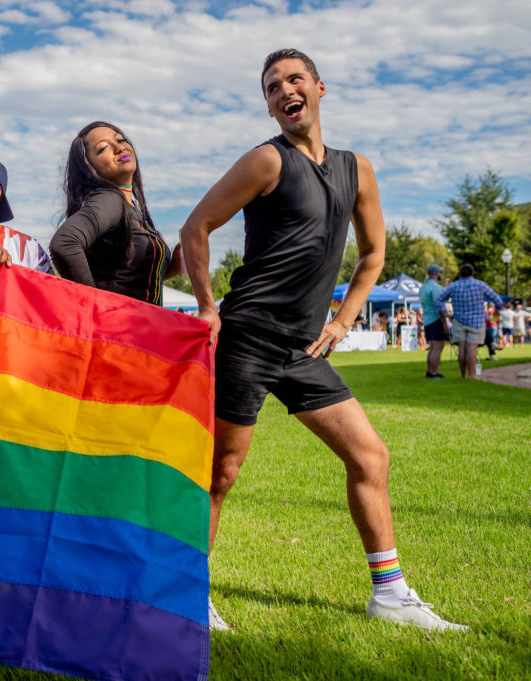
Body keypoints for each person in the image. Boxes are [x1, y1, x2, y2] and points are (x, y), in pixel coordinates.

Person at [180, 48, 466, 632]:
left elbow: (375, 253)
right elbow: (196, 227)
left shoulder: (357, 168)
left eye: (294, 79)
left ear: (318, 88)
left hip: (305, 347)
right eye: (271, 87)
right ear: (269, 105)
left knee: (369, 455)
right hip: (248, 338)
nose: (284, 91)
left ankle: (389, 595)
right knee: (221, 472)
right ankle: (187, 595)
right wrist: (209, 306)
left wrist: (342, 320)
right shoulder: (266, 161)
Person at [50, 121, 181, 305]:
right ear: (89, 167)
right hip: (118, 330)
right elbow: (64, 242)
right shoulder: (110, 200)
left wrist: (172, 268)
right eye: (103, 148)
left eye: (120, 140)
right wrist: (96, 305)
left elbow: (126, 281)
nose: (119, 148)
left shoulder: (129, 207)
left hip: (139, 328)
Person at [435, 264, 503, 379]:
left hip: (459, 321)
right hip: (476, 322)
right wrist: (497, 312)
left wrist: (445, 314)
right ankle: (472, 374)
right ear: (473, 273)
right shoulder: (480, 285)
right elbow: (497, 300)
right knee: (472, 348)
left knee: (462, 348)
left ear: (460, 274)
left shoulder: (453, 286)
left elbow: (438, 301)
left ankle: (463, 375)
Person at [419, 264, 449, 378]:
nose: (441, 274)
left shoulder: (423, 287)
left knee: (432, 347)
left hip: (427, 319)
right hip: (436, 319)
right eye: (440, 272)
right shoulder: (435, 287)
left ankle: (429, 371)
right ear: (437, 273)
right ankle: (434, 372)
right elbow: (439, 307)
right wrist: (445, 324)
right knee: (438, 347)